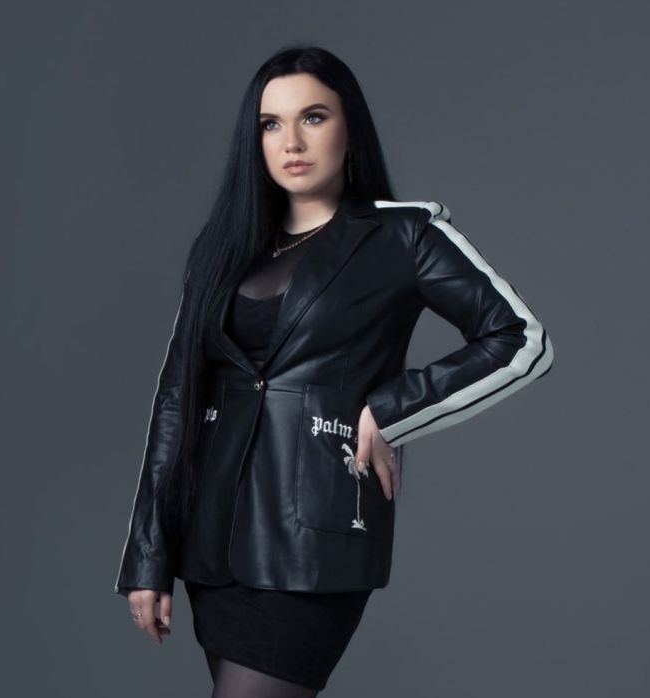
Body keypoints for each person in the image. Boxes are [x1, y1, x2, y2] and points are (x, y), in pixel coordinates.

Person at [113, 44, 555, 696]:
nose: (291, 141)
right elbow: (177, 399)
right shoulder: (221, 247)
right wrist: (148, 555)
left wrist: (393, 409)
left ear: (350, 129)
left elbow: (521, 341)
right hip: (212, 540)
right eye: (271, 124)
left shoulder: (403, 236)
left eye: (313, 117)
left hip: (313, 537)